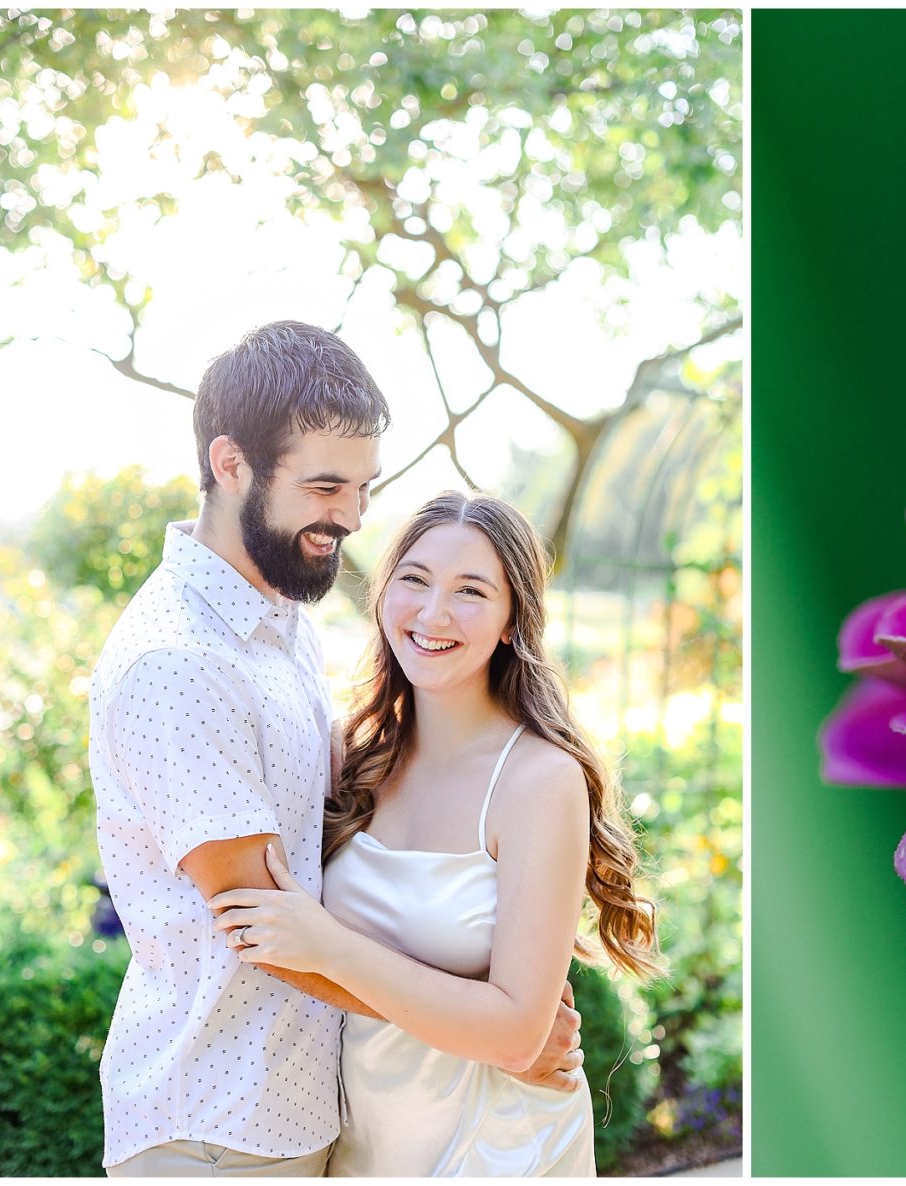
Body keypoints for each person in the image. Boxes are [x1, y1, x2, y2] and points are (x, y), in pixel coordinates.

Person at [88, 322, 582, 1177]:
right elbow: (272, 932)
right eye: (326, 487)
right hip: (218, 1119)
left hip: (319, 1116)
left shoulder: (283, 630)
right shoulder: (179, 662)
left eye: (362, 488)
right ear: (231, 462)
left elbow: (326, 913)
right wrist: (498, 1033)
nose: (351, 517)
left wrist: (511, 1015)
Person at [209, 490, 663, 1176]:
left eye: (471, 591)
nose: (433, 613)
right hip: (364, 1135)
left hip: (497, 1144)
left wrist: (327, 945)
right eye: (414, 580)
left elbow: (516, 1034)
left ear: (513, 621)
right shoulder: (347, 757)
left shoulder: (539, 781)